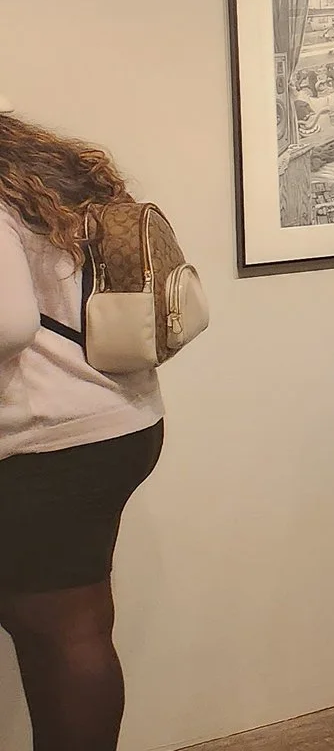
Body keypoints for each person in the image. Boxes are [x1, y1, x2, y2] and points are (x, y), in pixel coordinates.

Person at [0, 108, 165, 751]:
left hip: (48, 439)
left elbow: (10, 323)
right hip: (114, 419)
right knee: (71, 623)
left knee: (60, 629)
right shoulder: (35, 175)